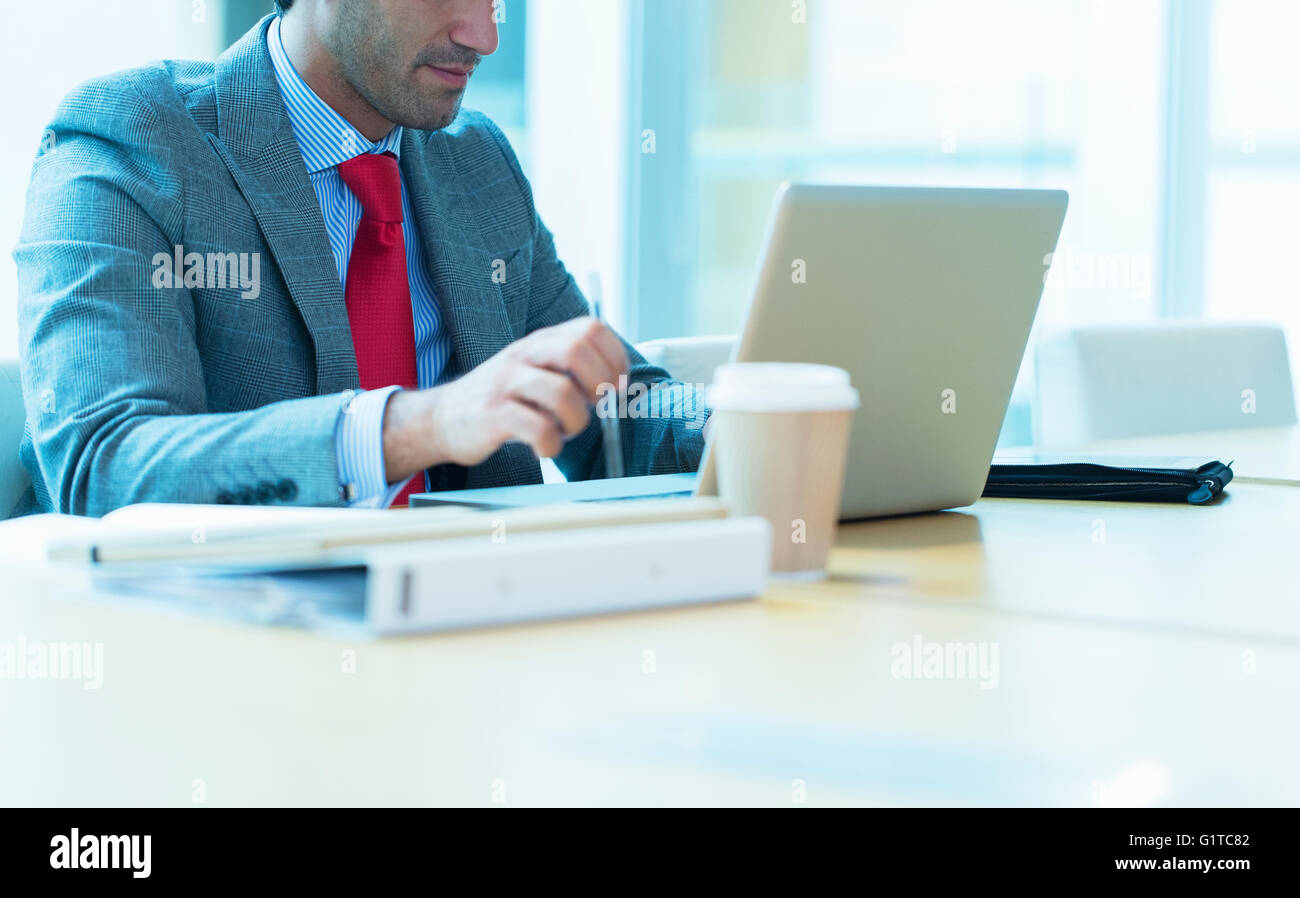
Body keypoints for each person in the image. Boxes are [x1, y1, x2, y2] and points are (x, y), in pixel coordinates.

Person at [13, 0, 706, 517]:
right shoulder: (130, 142)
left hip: (481, 649)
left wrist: (755, 417)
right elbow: (101, 468)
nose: (483, 36)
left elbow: (618, 415)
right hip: (230, 666)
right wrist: (425, 424)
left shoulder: (476, 162)